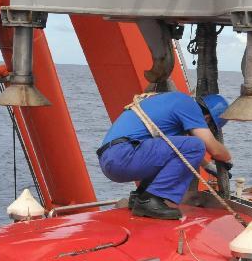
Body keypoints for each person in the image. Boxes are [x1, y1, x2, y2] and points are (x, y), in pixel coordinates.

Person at [97, 92, 233, 219]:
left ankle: (140, 196)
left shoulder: (171, 104)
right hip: (124, 154)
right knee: (196, 145)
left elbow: (173, 152)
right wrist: (227, 157)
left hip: (112, 158)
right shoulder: (189, 105)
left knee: (187, 148)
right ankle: (150, 200)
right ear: (207, 118)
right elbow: (214, 149)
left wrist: (207, 165)